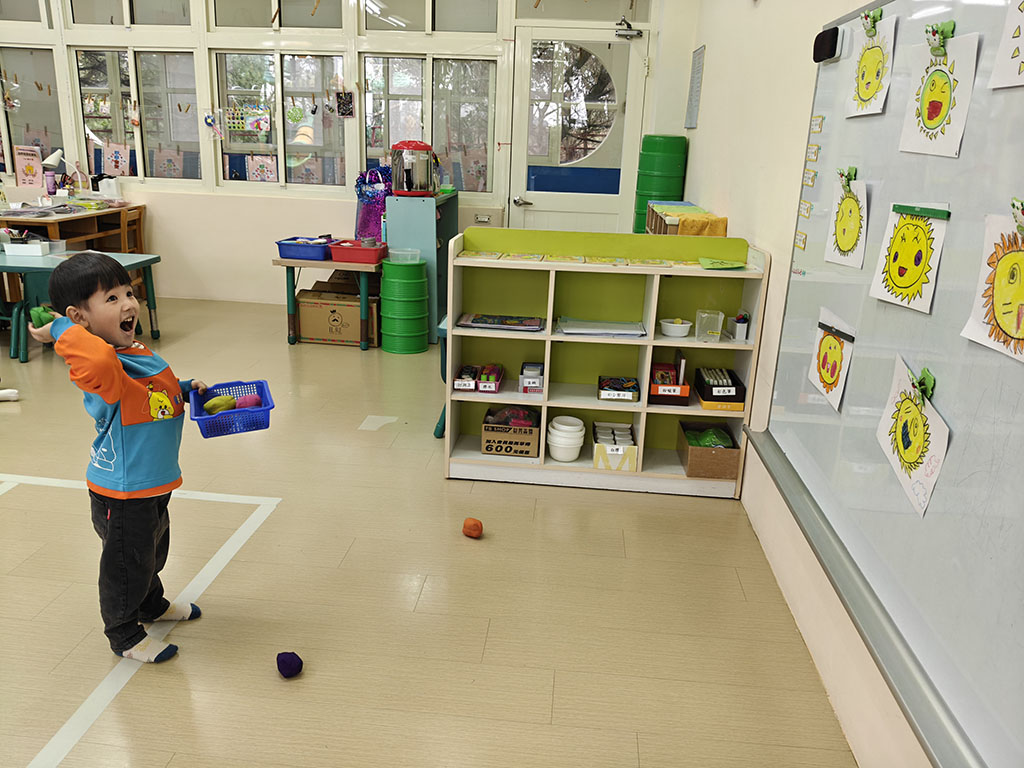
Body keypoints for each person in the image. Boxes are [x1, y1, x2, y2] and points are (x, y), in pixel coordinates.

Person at [29, 251, 205, 663]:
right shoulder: (102, 369)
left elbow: (149, 390)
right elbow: (97, 359)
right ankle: (123, 634)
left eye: (128, 292)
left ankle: (150, 604)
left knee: (152, 551)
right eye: (111, 298)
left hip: (152, 481)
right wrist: (60, 329)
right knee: (127, 565)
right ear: (80, 318)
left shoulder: (134, 351)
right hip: (123, 491)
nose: (129, 304)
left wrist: (183, 388)